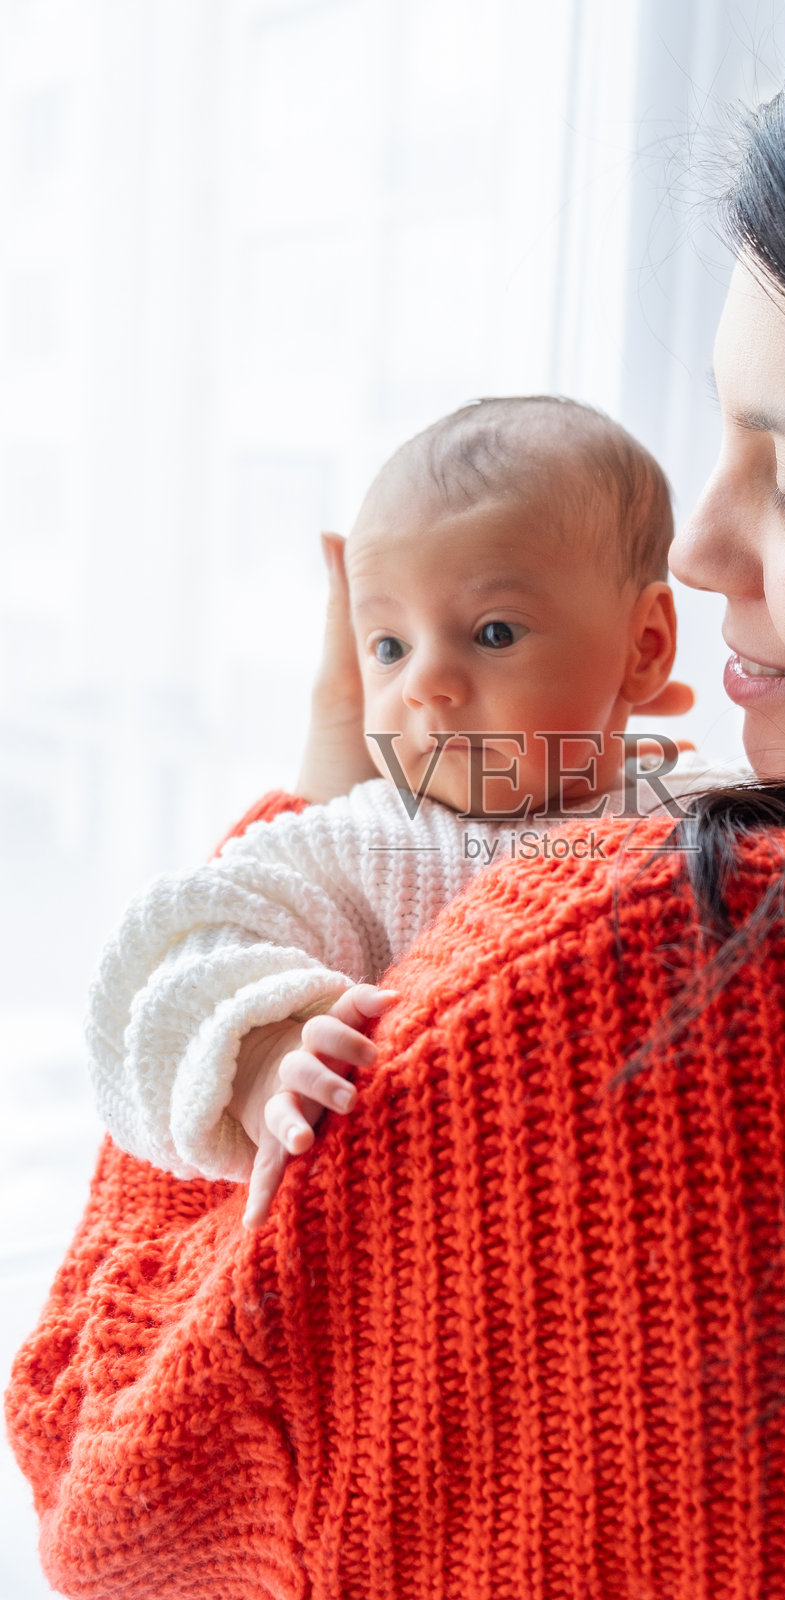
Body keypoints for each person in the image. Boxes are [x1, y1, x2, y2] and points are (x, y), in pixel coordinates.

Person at [7, 0, 785, 1594]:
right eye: (714, 447)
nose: (700, 557)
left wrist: (294, 822)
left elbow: (107, 1490)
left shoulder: (625, 969)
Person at [85, 394, 733, 1227]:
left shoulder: (705, 801)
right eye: (388, 646)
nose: (424, 680)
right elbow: (177, 948)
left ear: (644, 645)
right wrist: (264, 1050)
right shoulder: (370, 842)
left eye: (493, 632)